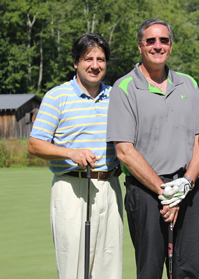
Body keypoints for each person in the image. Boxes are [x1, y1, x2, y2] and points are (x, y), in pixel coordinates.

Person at [106, 18, 199, 279]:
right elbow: (125, 150)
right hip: (146, 192)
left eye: (164, 40)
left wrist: (184, 186)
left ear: (171, 47)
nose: (157, 46)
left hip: (187, 190)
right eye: (151, 40)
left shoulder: (189, 84)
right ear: (140, 46)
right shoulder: (124, 87)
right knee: (150, 271)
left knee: (190, 270)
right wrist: (165, 193)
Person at [28, 33, 123, 279]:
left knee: (109, 268)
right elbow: (35, 144)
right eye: (87, 59)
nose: (95, 65)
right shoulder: (57, 97)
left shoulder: (116, 97)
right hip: (72, 187)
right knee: (74, 268)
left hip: (110, 187)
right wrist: (70, 153)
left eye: (100, 59)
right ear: (76, 63)